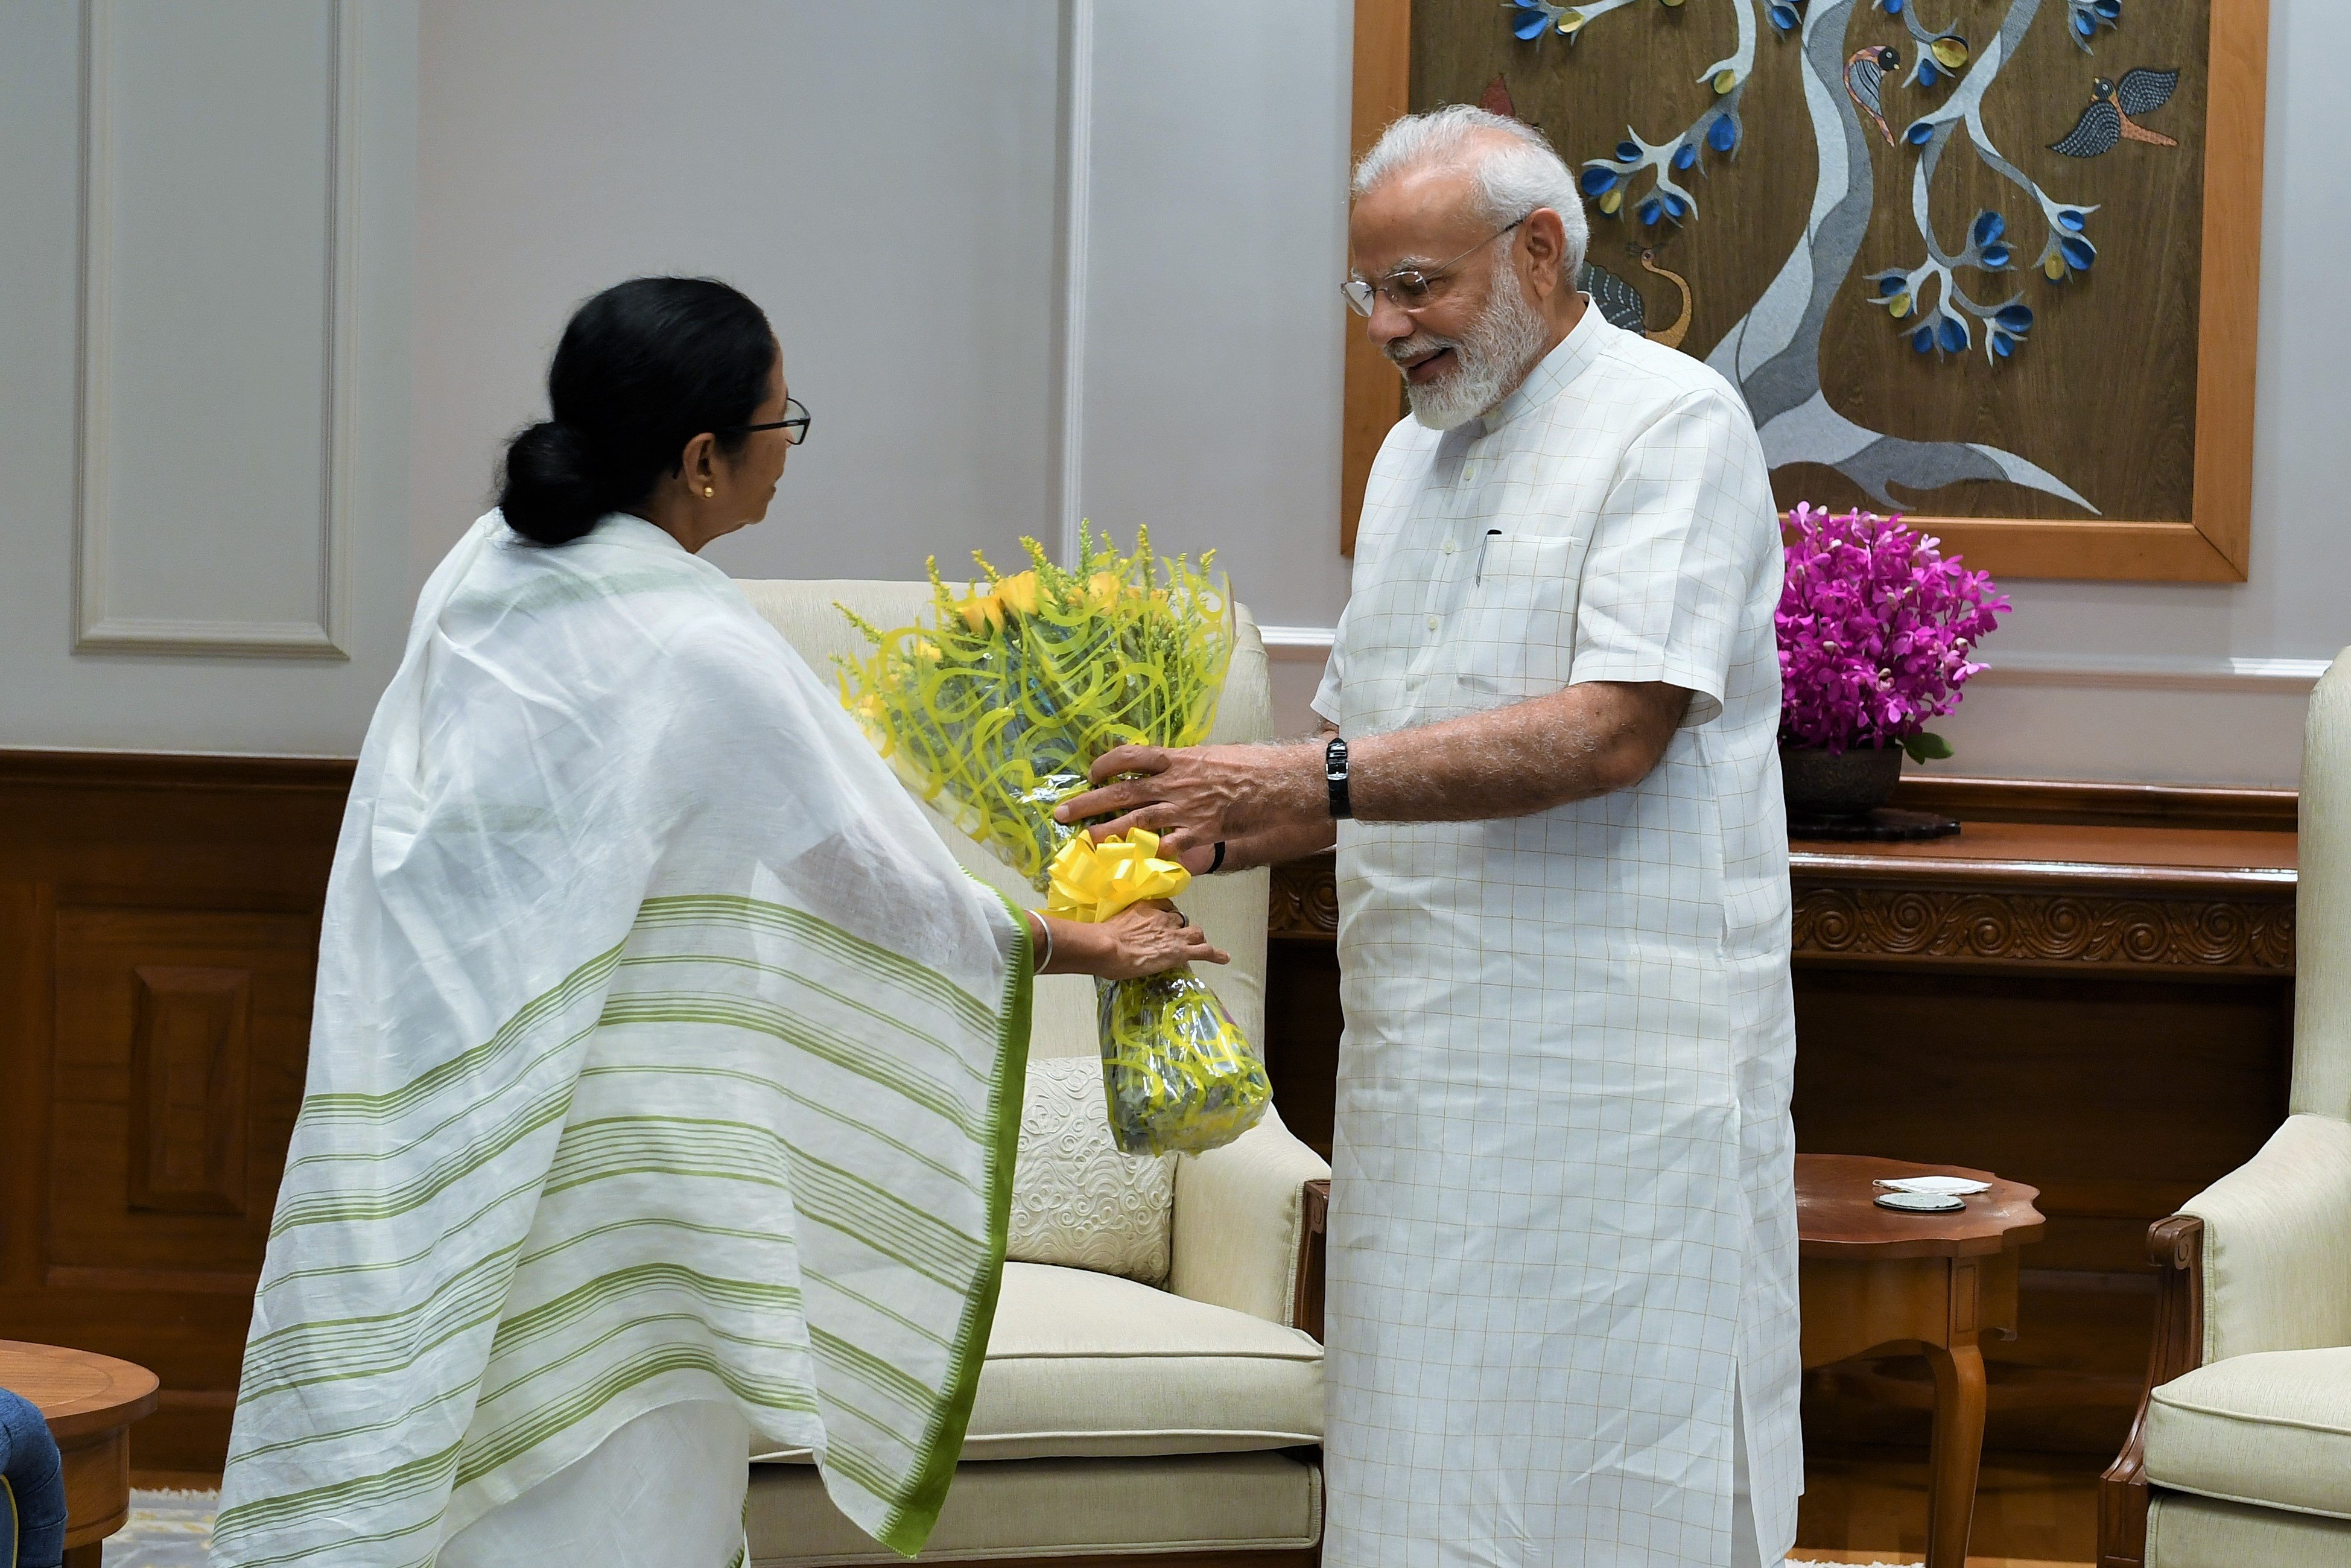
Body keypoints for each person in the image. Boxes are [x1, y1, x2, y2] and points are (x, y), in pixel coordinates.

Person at [211, 277, 1223, 1568]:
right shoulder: (695, 640)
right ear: (701, 460)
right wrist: (1077, 942)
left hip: (436, 1087)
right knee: (613, 1469)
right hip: (622, 1135)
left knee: (465, 1451)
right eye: (778, 420)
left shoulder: (483, 571)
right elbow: (869, 880)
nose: (785, 447)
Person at [1056, 107, 1800, 1567]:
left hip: (1612, 1082)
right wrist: (1179, 819)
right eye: (1367, 293)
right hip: (1423, 1069)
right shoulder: (1411, 456)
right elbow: (1358, 737)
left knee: (1608, 1466)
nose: (1388, 327)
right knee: (1420, 1474)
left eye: (1418, 286)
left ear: (1536, 250)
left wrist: (1302, 782)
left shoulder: (1668, 424)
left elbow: (1611, 729)